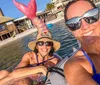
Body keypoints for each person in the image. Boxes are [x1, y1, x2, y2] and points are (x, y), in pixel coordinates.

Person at [0, 0, 61, 85]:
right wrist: (40, 68)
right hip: (20, 80)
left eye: (48, 43)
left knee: (21, 81)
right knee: (3, 73)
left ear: (52, 46)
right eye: (40, 43)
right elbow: (15, 72)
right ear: (36, 46)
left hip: (28, 82)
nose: (44, 46)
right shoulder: (30, 56)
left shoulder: (55, 60)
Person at [64, 0, 100, 85]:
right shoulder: (75, 65)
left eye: (91, 16)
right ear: (70, 30)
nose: (85, 27)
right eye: (74, 23)